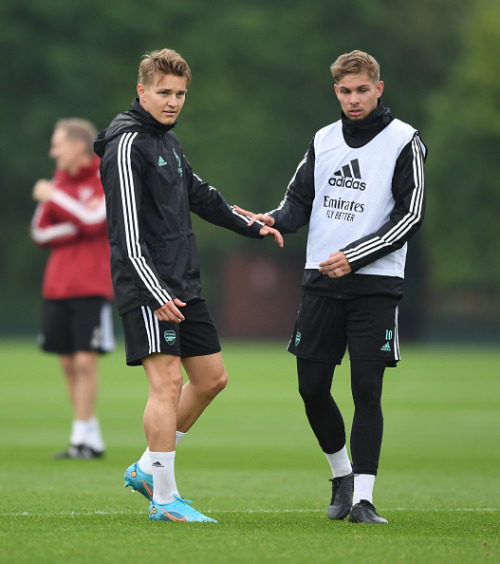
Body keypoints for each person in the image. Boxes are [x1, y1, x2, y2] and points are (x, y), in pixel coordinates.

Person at [235, 50, 426, 524]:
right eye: (345, 91)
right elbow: (299, 202)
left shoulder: (406, 141)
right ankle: (340, 476)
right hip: (320, 281)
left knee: (367, 388)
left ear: (378, 89)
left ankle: (363, 498)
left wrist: (357, 256)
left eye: (363, 90)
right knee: (312, 386)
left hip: (376, 285)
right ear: (336, 92)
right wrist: (273, 219)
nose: (354, 99)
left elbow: (412, 214)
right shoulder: (323, 139)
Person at [94, 48, 283, 523]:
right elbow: (125, 234)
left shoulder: (168, 143)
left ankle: (145, 467)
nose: (174, 101)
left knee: (212, 379)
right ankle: (164, 499)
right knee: (167, 382)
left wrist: (252, 224)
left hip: (184, 282)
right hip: (149, 286)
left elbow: (200, 194)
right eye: (164, 93)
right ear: (142, 91)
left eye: (180, 94)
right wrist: (156, 293)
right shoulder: (126, 144)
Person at [31, 118, 115, 459]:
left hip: (92, 285)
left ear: (78, 146)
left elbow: (98, 221)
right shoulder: (61, 181)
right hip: (56, 286)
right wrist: (76, 218)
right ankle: (89, 436)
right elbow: (39, 232)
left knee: (84, 361)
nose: (53, 152)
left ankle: (81, 439)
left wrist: (56, 199)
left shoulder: (103, 176)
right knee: (66, 361)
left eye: (57, 144)